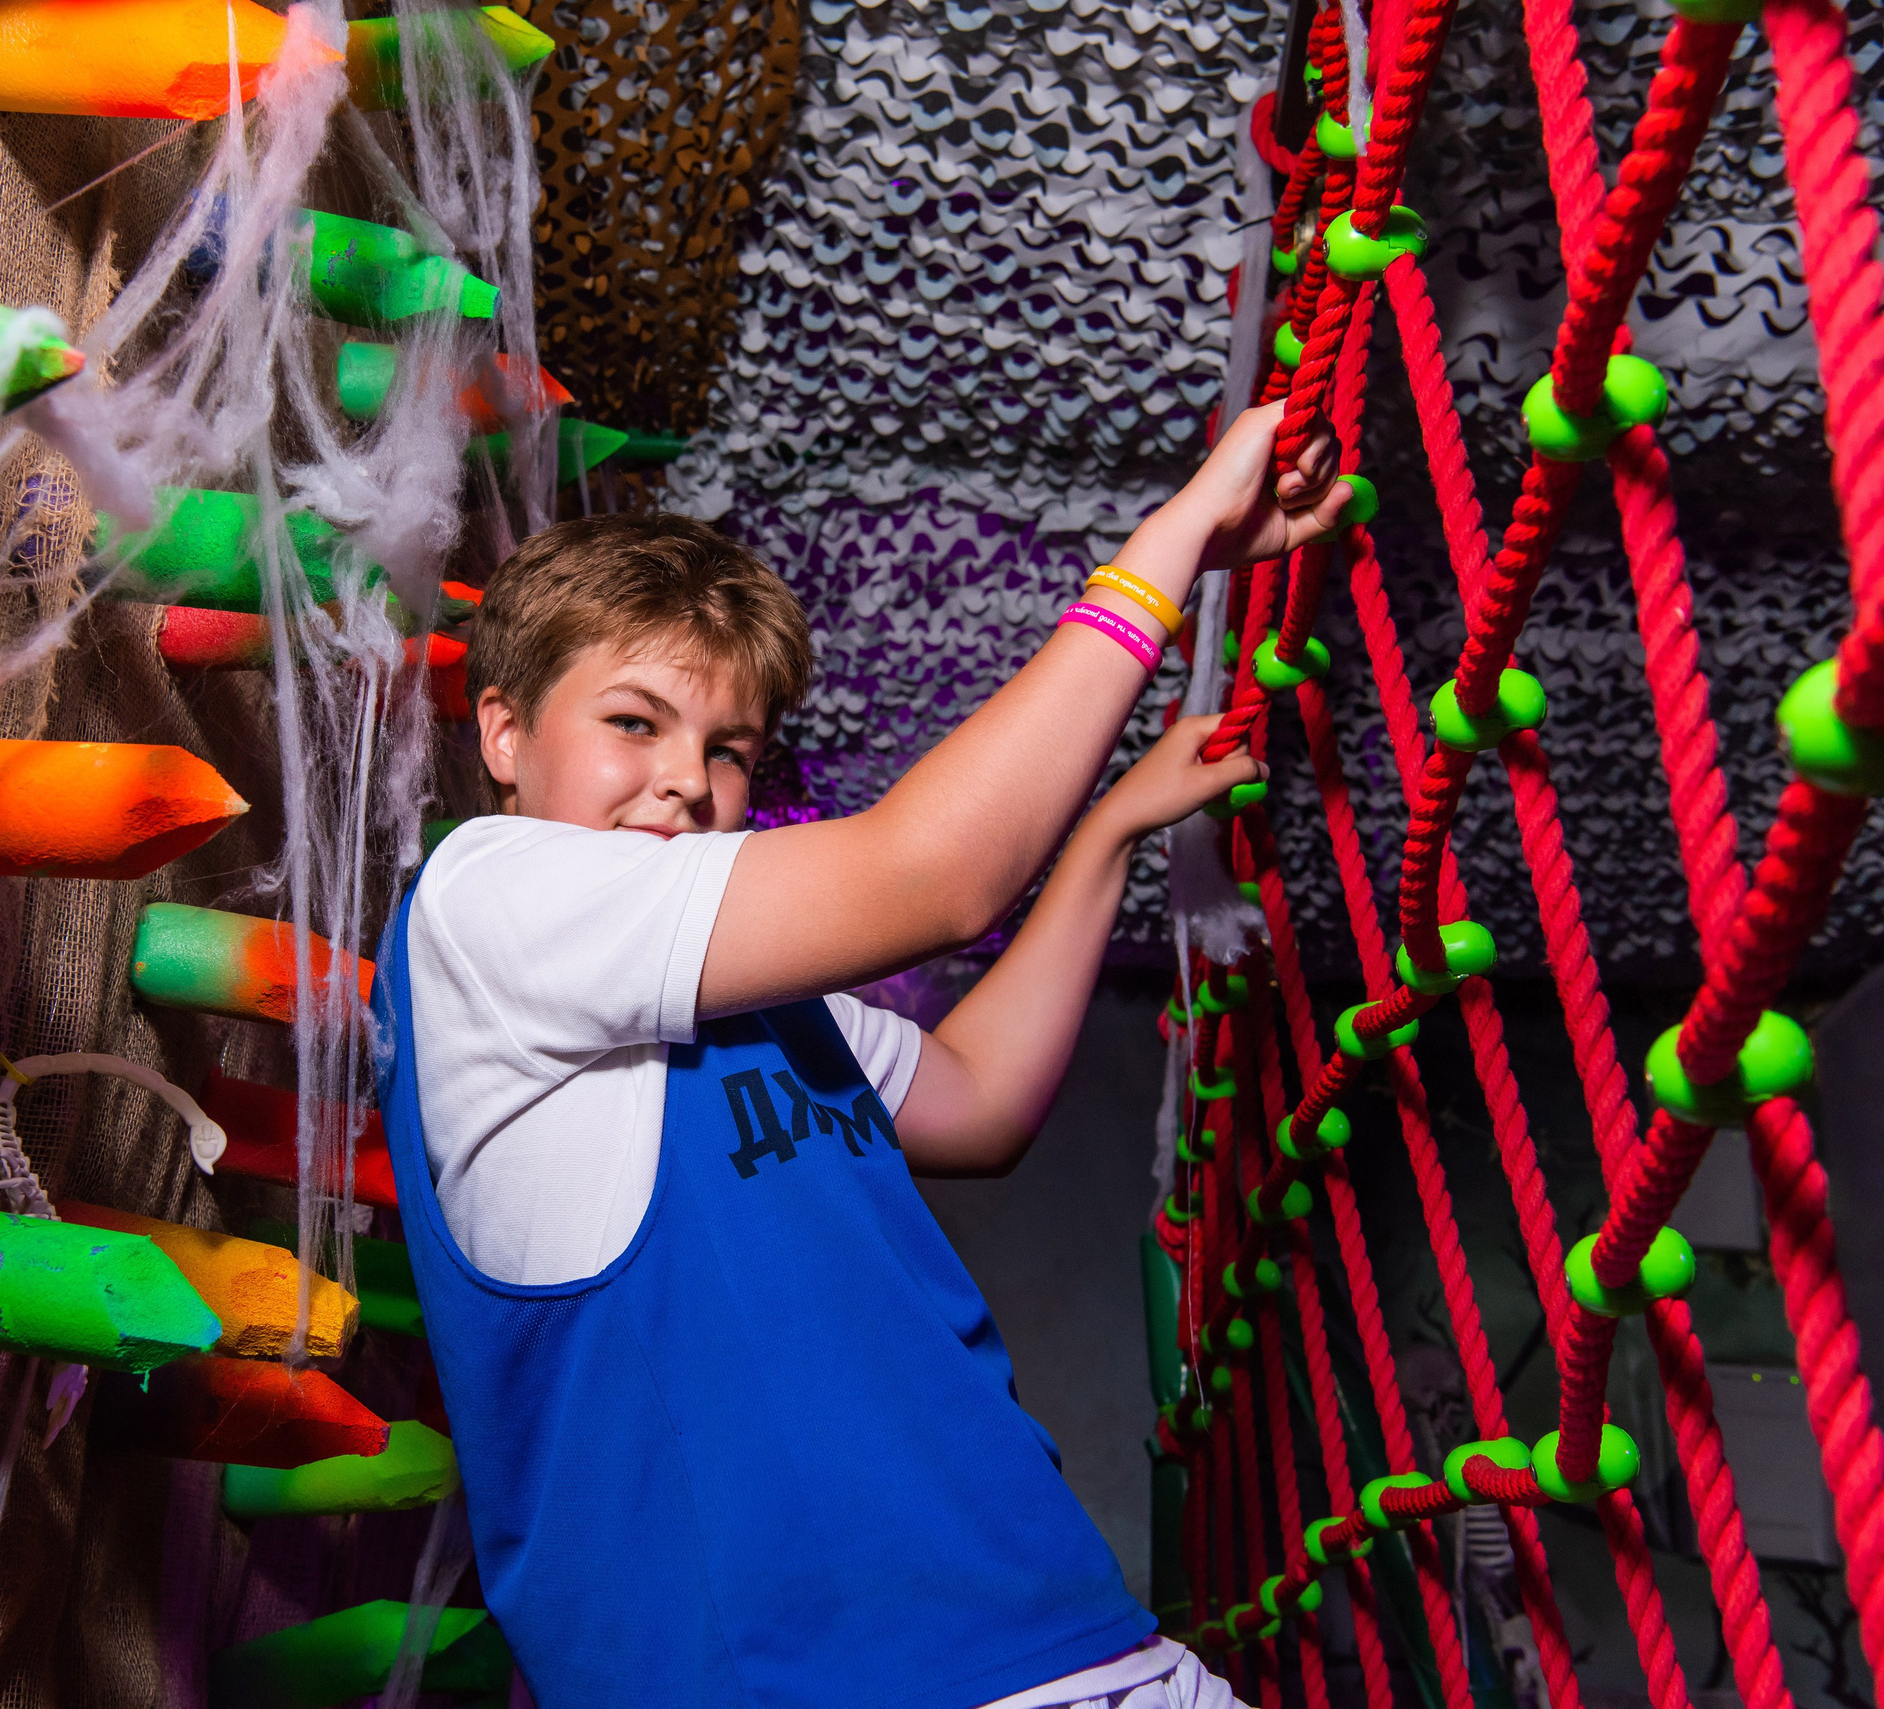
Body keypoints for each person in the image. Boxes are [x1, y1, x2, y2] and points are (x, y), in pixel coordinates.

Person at [371, 401, 1346, 1709]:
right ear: (502, 734)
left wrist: (1110, 830)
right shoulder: (486, 898)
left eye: (728, 749)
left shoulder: (761, 996)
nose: (684, 782)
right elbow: (933, 876)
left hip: (1077, 1640)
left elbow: (978, 1098)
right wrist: (1170, 543)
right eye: (635, 722)